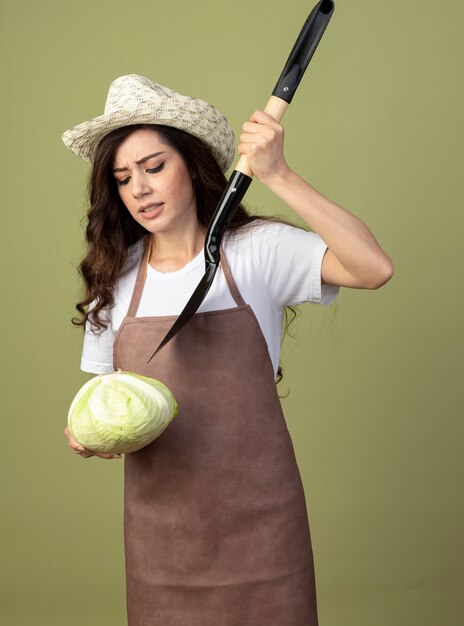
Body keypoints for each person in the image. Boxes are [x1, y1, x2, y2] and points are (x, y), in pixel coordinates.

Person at [62, 74, 393, 625]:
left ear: (191, 166)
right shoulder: (113, 276)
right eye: (123, 178)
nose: (139, 189)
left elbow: (373, 268)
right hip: (161, 537)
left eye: (154, 167)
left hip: (263, 528)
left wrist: (280, 175)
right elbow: (100, 395)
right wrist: (87, 436)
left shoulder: (257, 251)